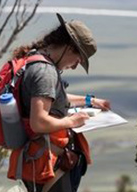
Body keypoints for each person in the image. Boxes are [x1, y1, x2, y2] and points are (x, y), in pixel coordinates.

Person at [10, 13, 111, 192]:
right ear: (69, 47)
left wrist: (90, 101)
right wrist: (73, 121)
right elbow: (39, 121)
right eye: (77, 60)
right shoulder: (45, 73)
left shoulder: (34, 58)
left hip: (37, 159)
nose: (73, 66)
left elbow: (52, 98)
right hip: (48, 163)